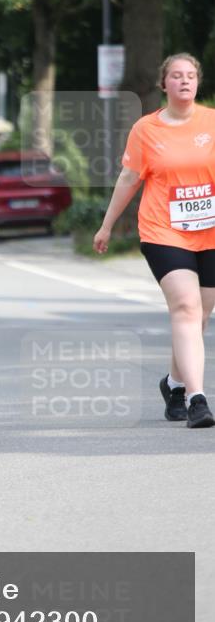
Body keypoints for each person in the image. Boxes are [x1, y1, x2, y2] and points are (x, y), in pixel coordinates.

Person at [94, 54, 215, 429]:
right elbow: (129, 179)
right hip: (164, 230)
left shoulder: (212, 121)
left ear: (198, 82)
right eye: (176, 76)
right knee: (185, 307)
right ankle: (198, 398)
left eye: (190, 76)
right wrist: (106, 225)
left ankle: (174, 384)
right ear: (164, 84)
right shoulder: (147, 130)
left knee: (201, 316)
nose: (184, 81)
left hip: (209, 230)